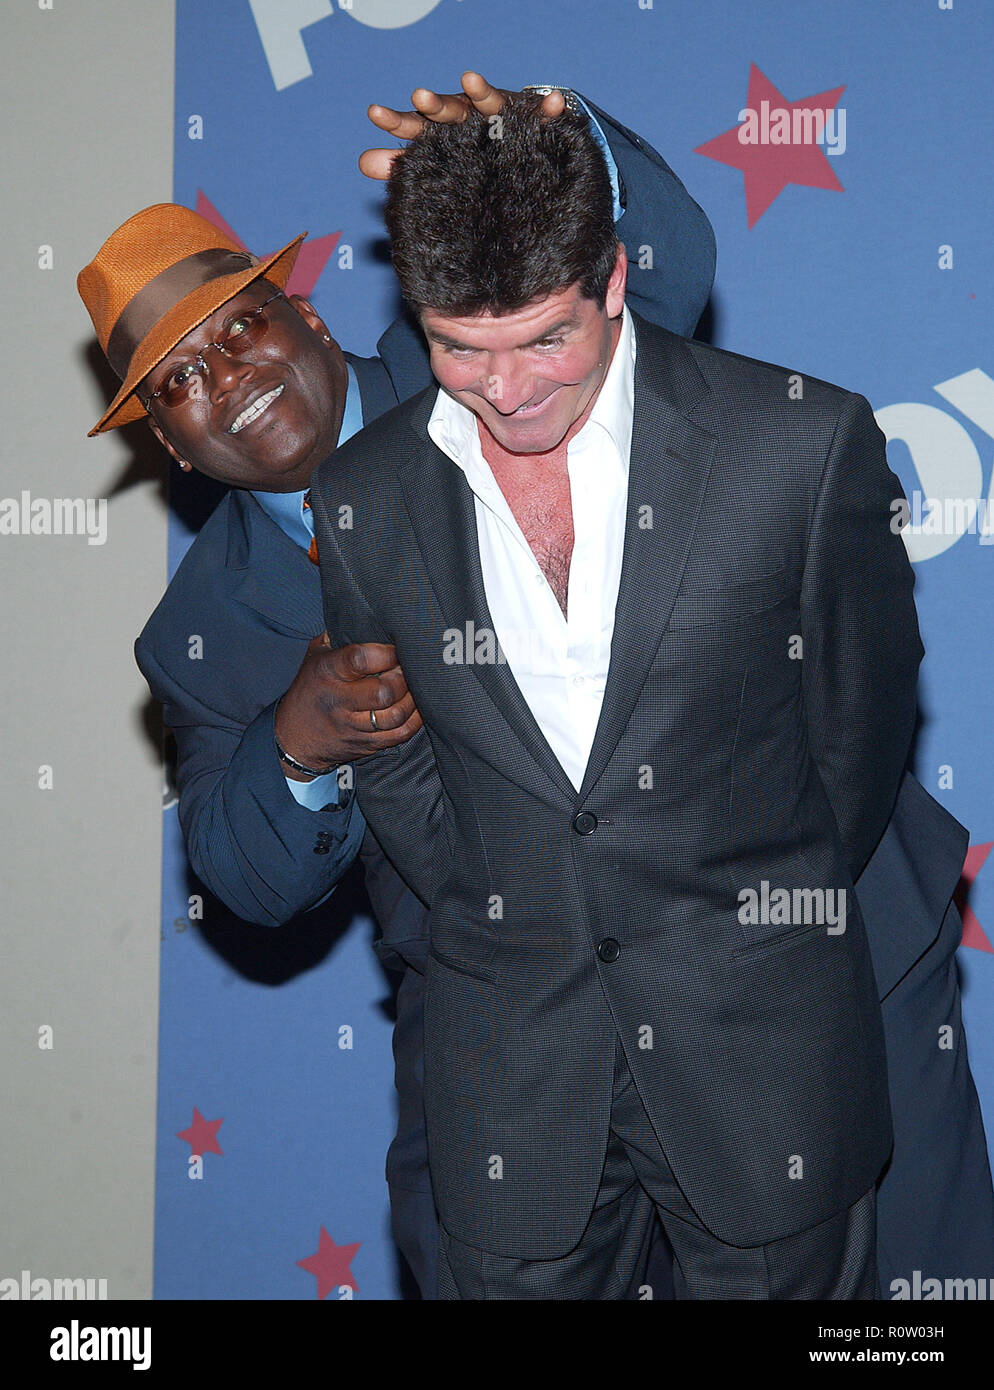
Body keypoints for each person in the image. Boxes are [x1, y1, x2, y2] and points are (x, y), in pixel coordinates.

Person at [310, 96, 994, 1298]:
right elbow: (400, 760)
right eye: (459, 348)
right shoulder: (364, 491)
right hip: (511, 1076)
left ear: (615, 279)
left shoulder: (797, 444)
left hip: (761, 1058)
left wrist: (740, 910)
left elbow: (856, 732)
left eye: (545, 340)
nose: (508, 390)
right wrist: (499, 900)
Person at [77, 75, 717, 1298]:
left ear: (309, 319)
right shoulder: (202, 632)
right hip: (497, 1049)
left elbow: (669, 266)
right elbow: (242, 872)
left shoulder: (487, 363)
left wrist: (550, 157)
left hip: (732, 973)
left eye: (239, 326)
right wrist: (297, 749)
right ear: (168, 440)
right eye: (177, 379)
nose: (226, 375)